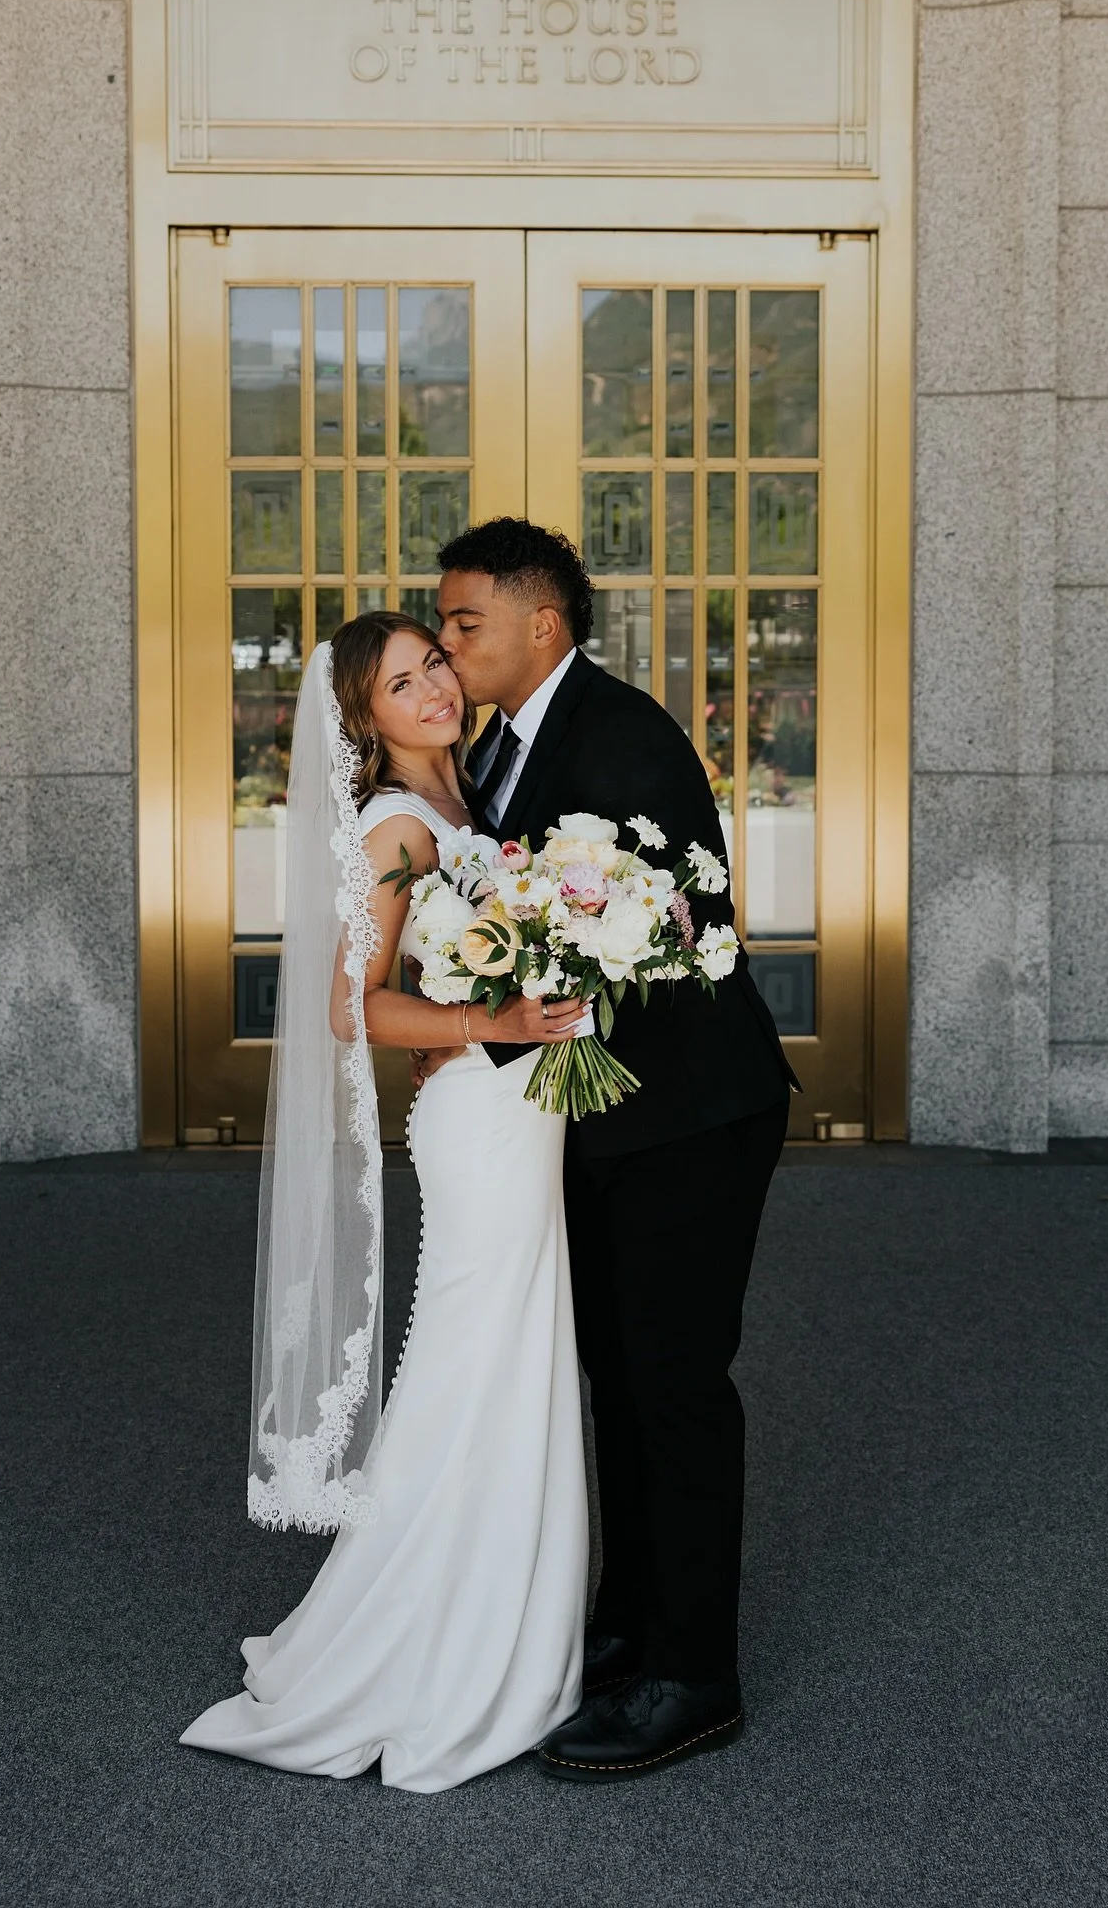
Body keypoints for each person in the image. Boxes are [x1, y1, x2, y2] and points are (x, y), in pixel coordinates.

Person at [180, 613, 591, 1793]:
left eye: (435, 667)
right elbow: (345, 1006)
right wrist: (489, 1024)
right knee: (472, 1361)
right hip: (478, 1119)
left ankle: (506, 1621)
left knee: (511, 1355)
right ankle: (418, 1646)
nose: (432, 692)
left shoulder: (471, 804)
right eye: (401, 684)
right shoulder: (398, 828)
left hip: (527, 1114)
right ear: (362, 720)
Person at [430, 517, 799, 1783]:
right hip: (599, 1123)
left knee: (676, 1387)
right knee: (619, 1384)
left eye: (465, 621)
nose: (447, 640)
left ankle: (695, 1679)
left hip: (688, 1119)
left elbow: (667, 928)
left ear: (543, 625)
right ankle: (632, 1631)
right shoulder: (504, 741)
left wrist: (484, 1023)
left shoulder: (623, 734)